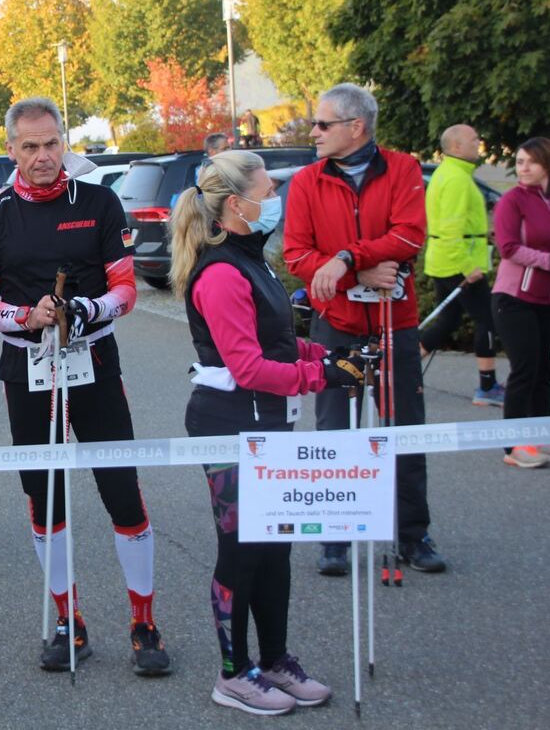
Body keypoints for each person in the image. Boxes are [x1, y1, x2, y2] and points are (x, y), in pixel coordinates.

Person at [0, 97, 170, 675]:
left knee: (122, 491)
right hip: (28, 370)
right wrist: (25, 316)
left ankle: (144, 622)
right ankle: (67, 620)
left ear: (64, 142)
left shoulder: (99, 202)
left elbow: (126, 290)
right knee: (45, 498)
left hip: (94, 362)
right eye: (30, 146)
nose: (43, 156)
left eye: (51, 143)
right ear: (11, 150)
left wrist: (86, 309)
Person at [172, 151, 344, 715]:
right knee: (242, 550)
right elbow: (247, 367)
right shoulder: (221, 272)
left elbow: (276, 341)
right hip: (229, 423)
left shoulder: (255, 259)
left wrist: (330, 356)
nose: (276, 201)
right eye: (268, 191)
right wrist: (321, 376)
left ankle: (274, 661)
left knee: (274, 547)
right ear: (236, 204)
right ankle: (232, 674)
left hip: (269, 420)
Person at [283, 82, 445, 575]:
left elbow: (408, 236)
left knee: (404, 429)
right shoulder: (307, 181)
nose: (314, 132)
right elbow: (296, 254)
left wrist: (348, 258)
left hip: (395, 321)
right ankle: (335, 536)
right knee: (335, 431)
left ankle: (413, 534)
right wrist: (356, 274)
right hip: (336, 322)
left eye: (323, 124)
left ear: (356, 127)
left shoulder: (402, 168)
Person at [490, 137, 550, 468]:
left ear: (548, 164)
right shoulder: (512, 200)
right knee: (524, 370)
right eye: (519, 162)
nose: (523, 168)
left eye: (530, 162)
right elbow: (508, 248)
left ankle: (542, 436)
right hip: (514, 298)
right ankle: (514, 446)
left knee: (544, 371)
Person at [420, 124, 503, 406]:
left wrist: (485, 235)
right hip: (458, 263)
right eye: (473, 139)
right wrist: (467, 265)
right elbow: (449, 228)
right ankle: (487, 387)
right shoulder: (456, 178)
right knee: (488, 319)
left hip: (445, 259)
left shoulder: (451, 173)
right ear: (456, 146)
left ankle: (403, 371)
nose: (478, 142)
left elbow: (456, 224)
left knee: (449, 320)